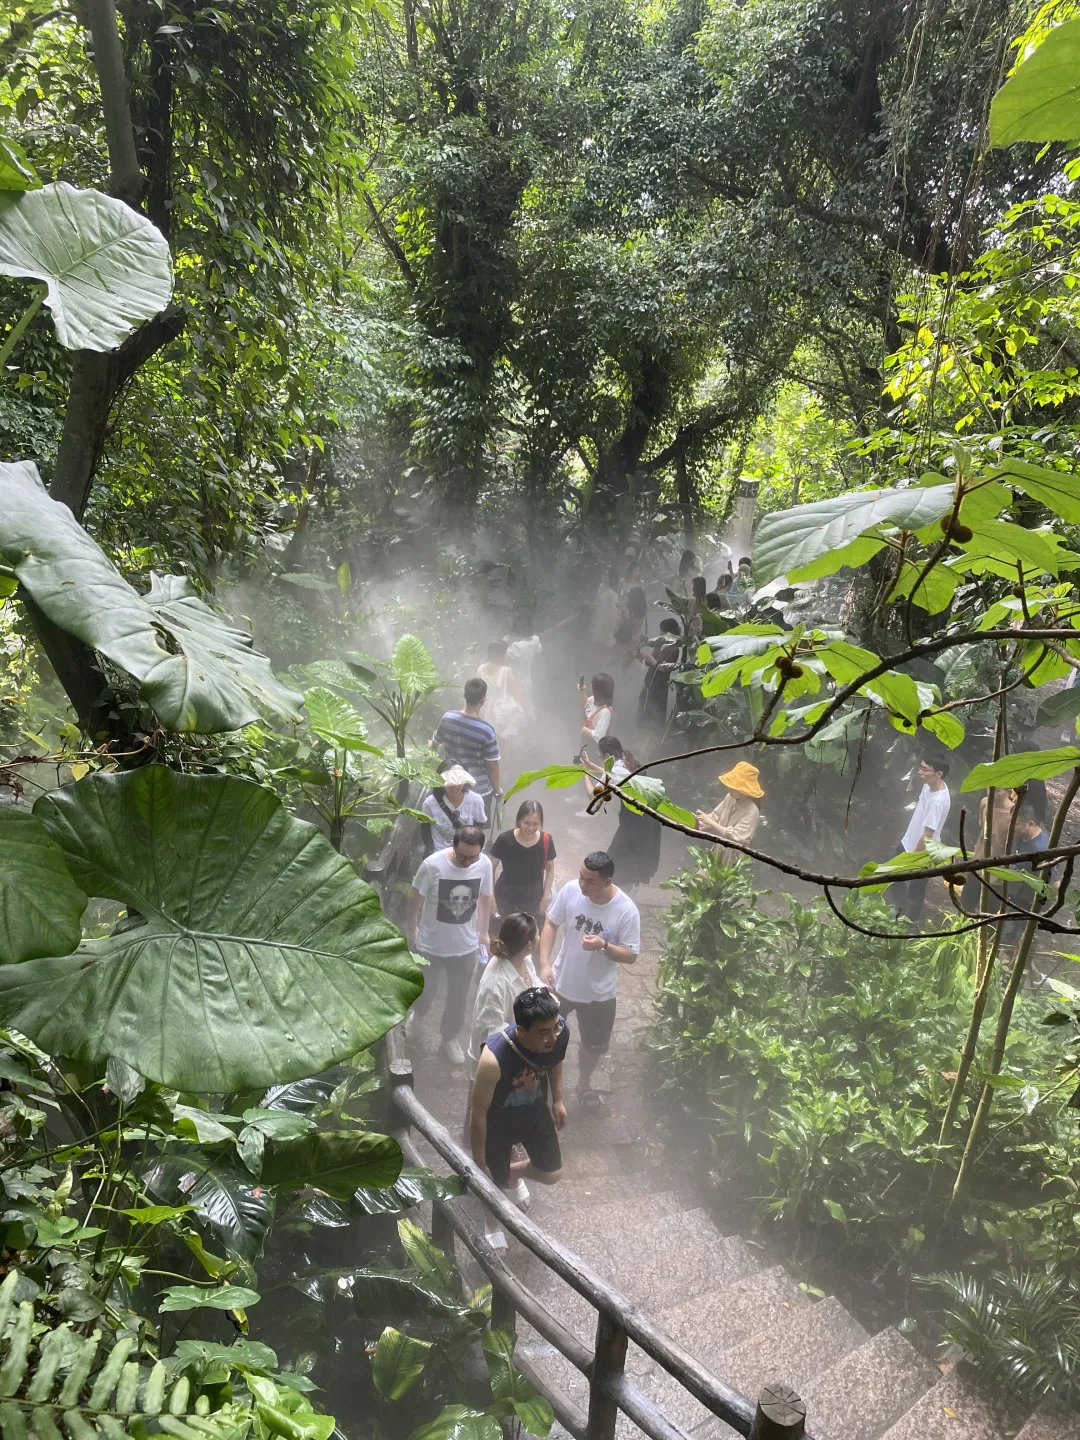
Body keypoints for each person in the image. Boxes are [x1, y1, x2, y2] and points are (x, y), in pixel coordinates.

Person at [538, 850, 640, 1108]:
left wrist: (603, 945)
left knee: (593, 1046)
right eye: (581, 877)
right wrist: (544, 963)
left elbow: (630, 955)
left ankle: (584, 1082)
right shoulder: (571, 891)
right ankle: (542, 1078)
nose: (582, 885)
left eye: (590, 881)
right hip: (561, 982)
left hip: (599, 993)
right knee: (543, 1035)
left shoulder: (626, 910)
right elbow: (551, 923)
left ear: (608, 881)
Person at [469, 985, 569, 1225]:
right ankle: (491, 1225)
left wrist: (558, 1099)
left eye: (555, 1027)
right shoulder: (494, 1059)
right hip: (498, 1125)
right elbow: (478, 1114)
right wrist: (480, 1163)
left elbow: (555, 1060)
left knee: (552, 1172)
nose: (552, 1038)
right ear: (522, 1031)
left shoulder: (560, 1032)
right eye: (544, 1032)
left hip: (534, 1111)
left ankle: (511, 1173)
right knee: (492, 1183)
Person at [405, 824, 494, 1065]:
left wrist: (483, 932)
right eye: (461, 856)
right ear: (452, 845)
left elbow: (486, 898)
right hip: (430, 944)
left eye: (471, 858)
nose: (466, 862)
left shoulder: (484, 864)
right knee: (426, 990)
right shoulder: (433, 865)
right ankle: (417, 1017)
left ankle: (449, 1037)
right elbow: (414, 897)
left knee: (459, 997)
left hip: (465, 945)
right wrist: (411, 929)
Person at [584, 736, 661, 893]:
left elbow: (594, 796)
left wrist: (584, 773)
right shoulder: (626, 760)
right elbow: (614, 777)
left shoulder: (614, 770)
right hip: (648, 821)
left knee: (616, 866)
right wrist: (591, 766)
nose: (600, 760)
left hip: (635, 825)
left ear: (606, 756)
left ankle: (621, 900)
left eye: (600, 757)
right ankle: (627, 894)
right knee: (629, 864)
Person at [468, 910, 540, 1066]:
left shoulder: (525, 960)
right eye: (537, 935)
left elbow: (532, 983)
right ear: (529, 945)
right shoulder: (496, 984)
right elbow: (494, 1035)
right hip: (495, 1061)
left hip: (521, 1049)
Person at [895, 755, 951, 924]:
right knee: (893, 875)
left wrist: (915, 859)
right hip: (908, 841)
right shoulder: (928, 786)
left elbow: (927, 835)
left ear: (938, 774)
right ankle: (896, 909)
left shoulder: (939, 801)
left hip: (922, 851)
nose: (920, 772)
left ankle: (908, 923)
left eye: (925, 769)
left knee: (916, 890)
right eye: (920, 767)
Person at [432, 678, 501, 808]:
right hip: (478, 790)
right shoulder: (486, 731)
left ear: (465, 695)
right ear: (484, 700)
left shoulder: (448, 718)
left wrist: (431, 746)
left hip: (452, 786)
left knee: (452, 826)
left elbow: (435, 742)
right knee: (476, 827)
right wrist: (497, 789)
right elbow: (493, 766)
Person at [490, 800, 556, 921]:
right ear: (519, 820)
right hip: (505, 898)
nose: (531, 828)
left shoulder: (546, 840)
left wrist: (546, 895)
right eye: (526, 823)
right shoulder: (505, 839)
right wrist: (491, 896)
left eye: (535, 824)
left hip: (533, 899)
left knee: (530, 935)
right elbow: (490, 868)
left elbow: (550, 869)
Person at [694, 762, 763, 864]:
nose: (730, 788)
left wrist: (711, 823)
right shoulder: (729, 797)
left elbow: (735, 836)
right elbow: (715, 816)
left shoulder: (752, 811)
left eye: (734, 786)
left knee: (722, 879)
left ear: (744, 790)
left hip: (734, 856)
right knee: (702, 877)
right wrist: (699, 822)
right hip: (719, 848)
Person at [478, 641, 528, 764]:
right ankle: (504, 776)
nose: (505, 657)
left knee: (491, 746)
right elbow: (515, 694)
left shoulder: (480, 670)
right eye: (504, 654)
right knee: (506, 746)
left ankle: (491, 771)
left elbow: (479, 692)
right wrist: (526, 710)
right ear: (498, 655)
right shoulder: (507, 670)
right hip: (505, 711)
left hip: (487, 711)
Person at [420, 765, 487, 853]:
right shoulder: (429, 803)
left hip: (466, 853)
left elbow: (479, 826)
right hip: (439, 852)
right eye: (450, 782)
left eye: (459, 781)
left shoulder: (476, 800)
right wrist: (430, 850)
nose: (455, 786)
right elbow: (425, 829)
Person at [637, 619, 681, 735]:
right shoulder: (659, 644)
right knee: (644, 713)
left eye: (662, 631)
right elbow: (649, 662)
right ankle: (642, 740)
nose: (660, 633)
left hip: (659, 686)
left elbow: (663, 668)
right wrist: (641, 658)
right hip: (649, 683)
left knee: (655, 717)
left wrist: (651, 659)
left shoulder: (674, 649)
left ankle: (650, 744)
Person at [506, 614, 542, 711]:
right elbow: (539, 650)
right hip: (528, 676)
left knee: (517, 704)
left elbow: (501, 653)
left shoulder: (517, 647)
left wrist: (505, 640)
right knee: (527, 701)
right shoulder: (535, 640)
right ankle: (530, 720)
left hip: (517, 678)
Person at [577, 672, 614, 756]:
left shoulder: (605, 711)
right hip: (585, 747)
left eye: (592, 684)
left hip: (596, 752)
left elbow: (599, 736)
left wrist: (585, 730)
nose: (590, 685)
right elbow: (585, 706)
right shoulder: (593, 699)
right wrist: (582, 691)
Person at [590, 567, 623, 655]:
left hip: (609, 619)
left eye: (606, 575)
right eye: (603, 574)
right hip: (598, 617)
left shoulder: (615, 592)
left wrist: (615, 622)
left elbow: (617, 607)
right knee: (596, 641)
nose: (603, 576)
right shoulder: (600, 587)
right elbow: (596, 601)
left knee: (605, 643)